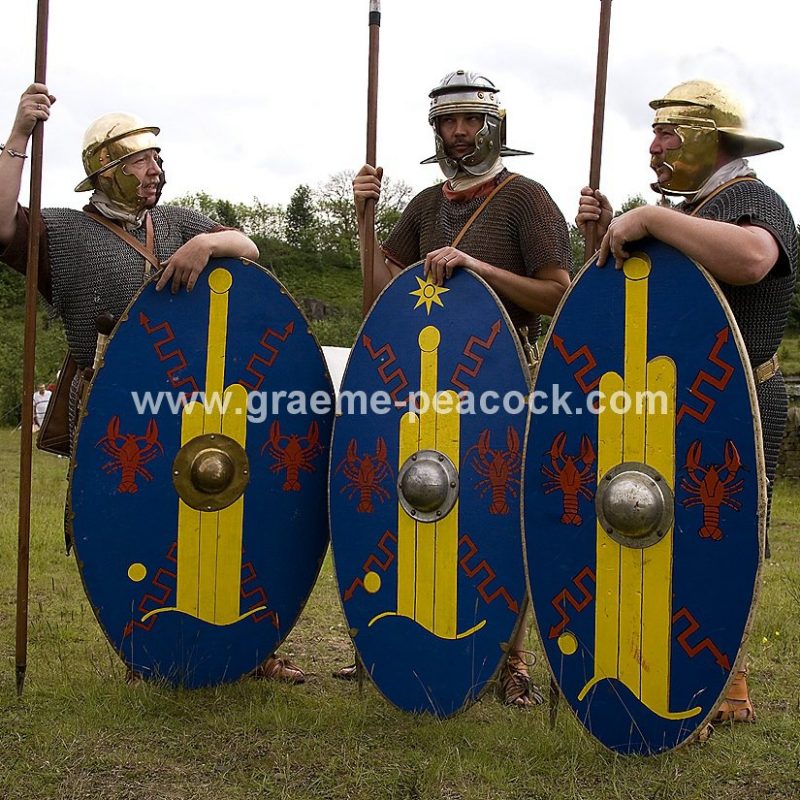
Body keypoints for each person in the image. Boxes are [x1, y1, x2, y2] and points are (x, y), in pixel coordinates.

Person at [0, 83, 302, 686]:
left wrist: (204, 243)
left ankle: (251, 648)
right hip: (118, 403)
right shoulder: (62, 232)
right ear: (106, 170)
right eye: (141, 160)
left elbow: (248, 246)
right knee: (136, 523)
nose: (155, 170)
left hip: (197, 400)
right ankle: (145, 648)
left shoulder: (181, 222)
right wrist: (18, 137)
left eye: (157, 159)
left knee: (220, 510)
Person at [343, 70, 573, 707]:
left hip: (502, 374)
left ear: (493, 124)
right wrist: (364, 220)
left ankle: (513, 658)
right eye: (447, 122)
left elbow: (557, 293)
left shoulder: (526, 198)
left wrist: (478, 267)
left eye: (470, 120)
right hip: (425, 383)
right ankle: (409, 641)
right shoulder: (423, 205)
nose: (459, 132)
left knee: (502, 508)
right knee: (425, 497)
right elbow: (378, 297)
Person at [576, 79, 798, 726]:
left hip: (739, 402)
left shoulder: (754, 198)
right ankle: (673, 668)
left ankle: (728, 685)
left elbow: (755, 260)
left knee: (720, 535)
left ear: (709, 136)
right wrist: (611, 228)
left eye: (666, 134)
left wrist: (648, 218)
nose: (654, 148)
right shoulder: (699, 208)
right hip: (673, 405)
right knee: (667, 533)